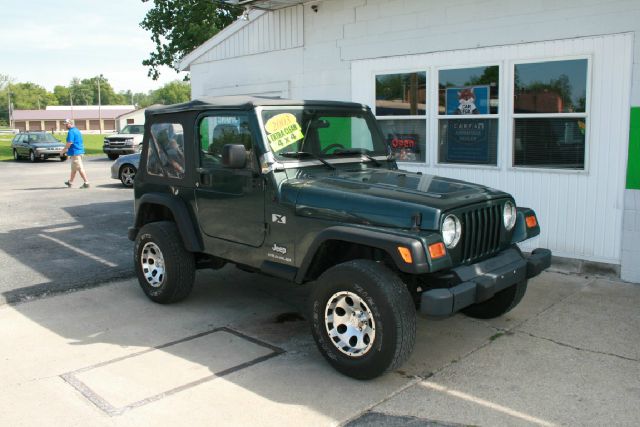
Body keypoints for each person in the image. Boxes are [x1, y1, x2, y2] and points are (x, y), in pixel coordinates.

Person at [60, 119, 90, 188]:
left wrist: (63, 150)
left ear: (70, 123)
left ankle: (86, 183)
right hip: (78, 151)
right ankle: (70, 182)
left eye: (66, 124)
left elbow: (69, 142)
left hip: (76, 152)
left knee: (80, 168)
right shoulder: (76, 130)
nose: (65, 126)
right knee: (74, 168)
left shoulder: (71, 132)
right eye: (65, 124)